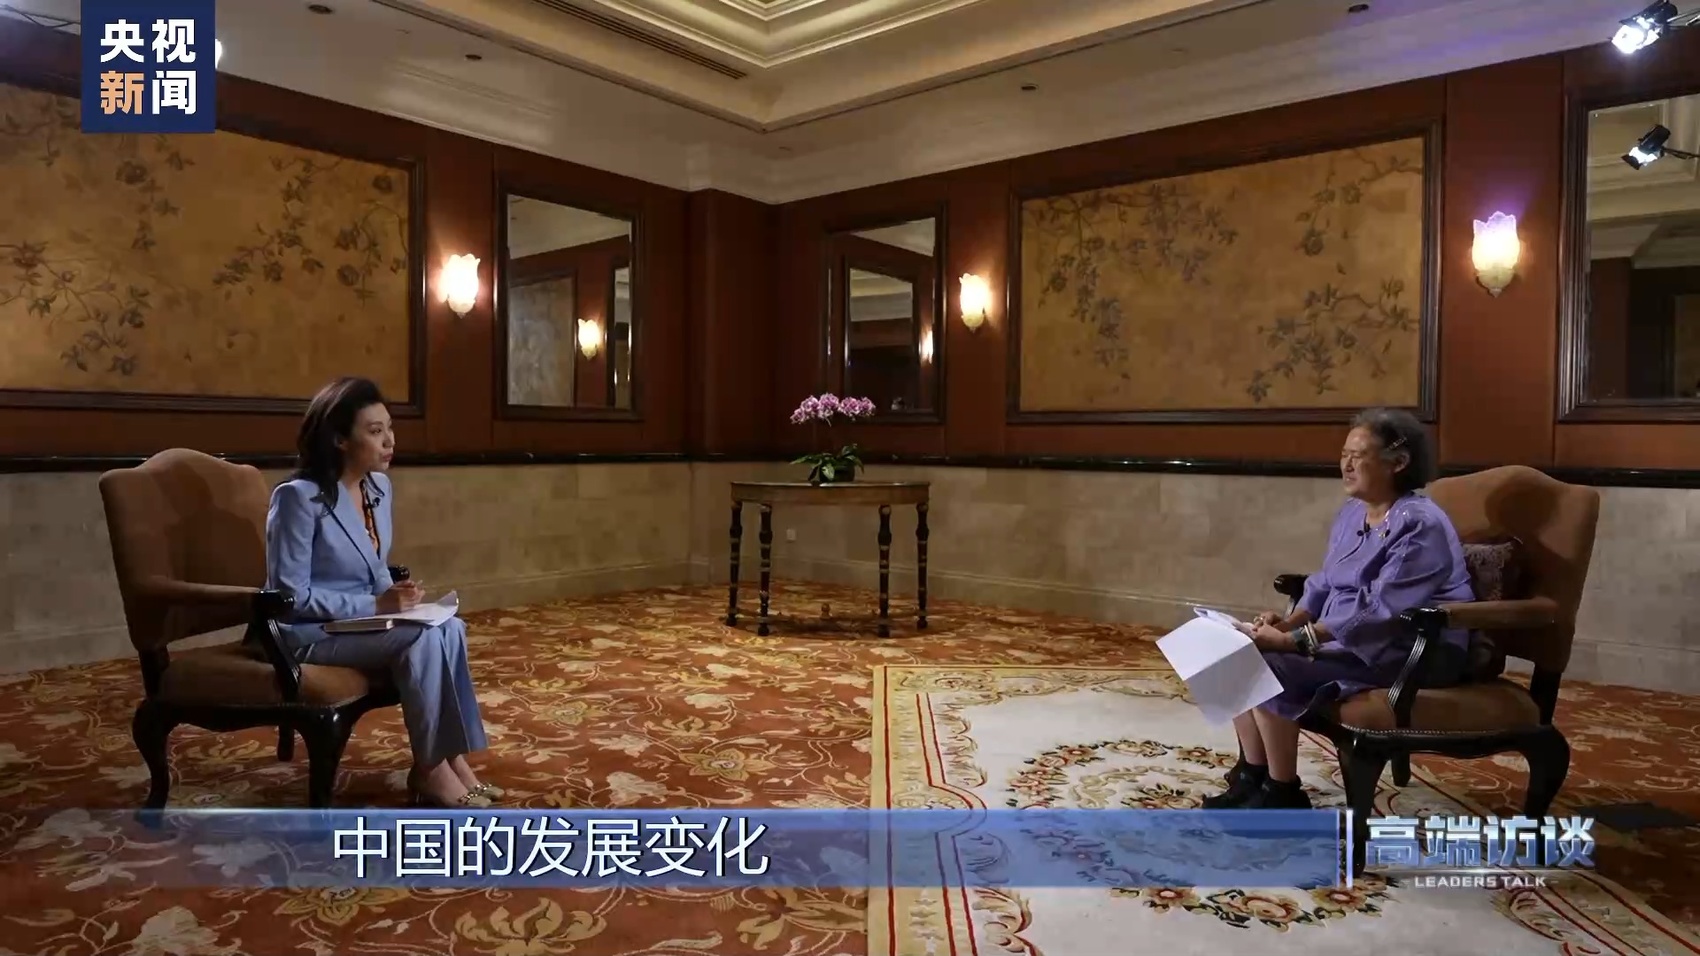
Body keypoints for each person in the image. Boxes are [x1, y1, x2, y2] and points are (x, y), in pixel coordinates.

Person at [1204, 407, 1475, 810]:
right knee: (1233, 653)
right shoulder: (1352, 513)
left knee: (1267, 665)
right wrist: (1288, 623)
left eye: (1357, 455)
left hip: (1409, 646)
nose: (1345, 464)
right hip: (1349, 639)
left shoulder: (1419, 524)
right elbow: (1325, 581)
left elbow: (1382, 609)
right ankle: (1253, 776)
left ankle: (1282, 793)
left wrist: (1294, 642)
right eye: (1344, 454)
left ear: (1399, 462)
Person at [266, 377, 499, 809]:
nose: (390, 441)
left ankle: (452, 758)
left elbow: (372, 567)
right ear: (339, 439)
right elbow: (289, 597)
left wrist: (396, 595)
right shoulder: (298, 499)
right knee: (424, 638)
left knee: (450, 627)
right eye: (375, 431)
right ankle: (430, 769)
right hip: (309, 633)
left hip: (365, 623)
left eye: (390, 428)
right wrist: (374, 604)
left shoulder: (378, 487)